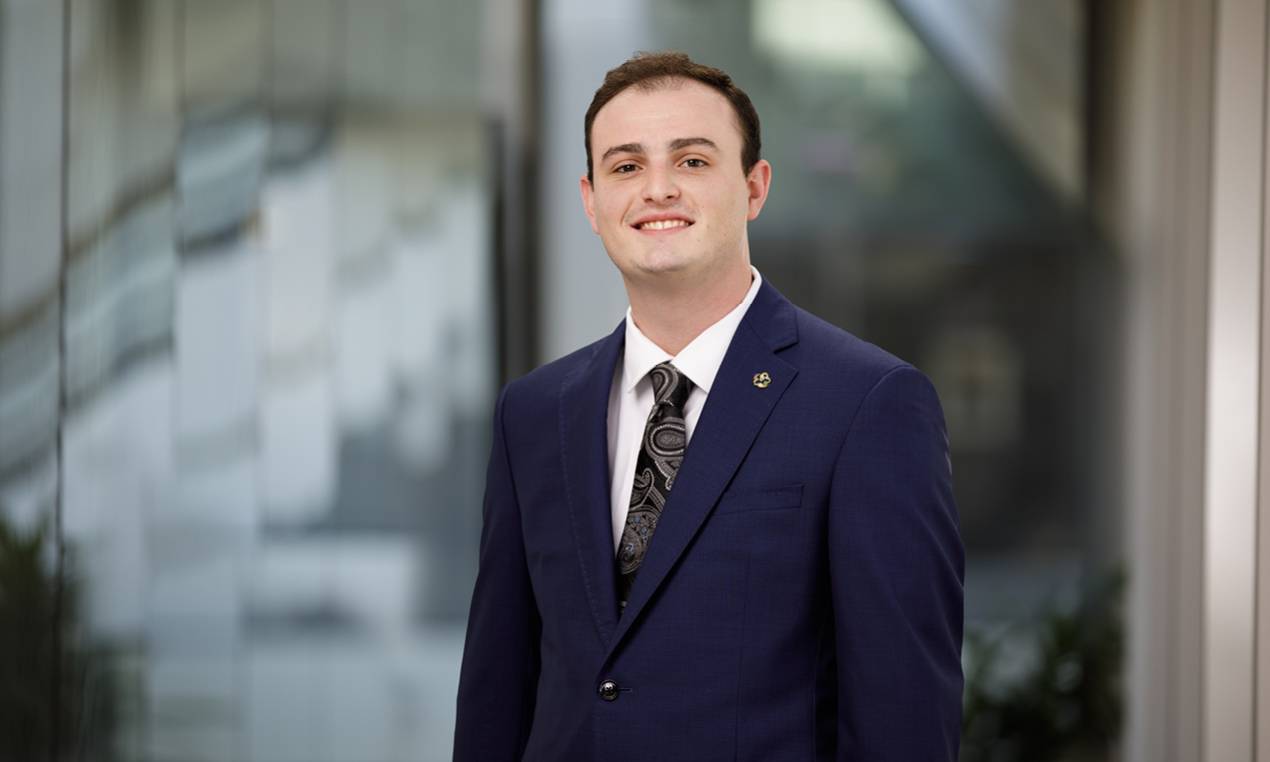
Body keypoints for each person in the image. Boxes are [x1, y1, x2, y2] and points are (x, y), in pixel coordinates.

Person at [453, 51, 964, 761]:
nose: (657, 189)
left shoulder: (868, 404)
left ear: (755, 188)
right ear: (591, 200)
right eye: (627, 167)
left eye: (692, 161)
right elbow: (496, 693)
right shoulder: (534, 413)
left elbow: (902, 718)